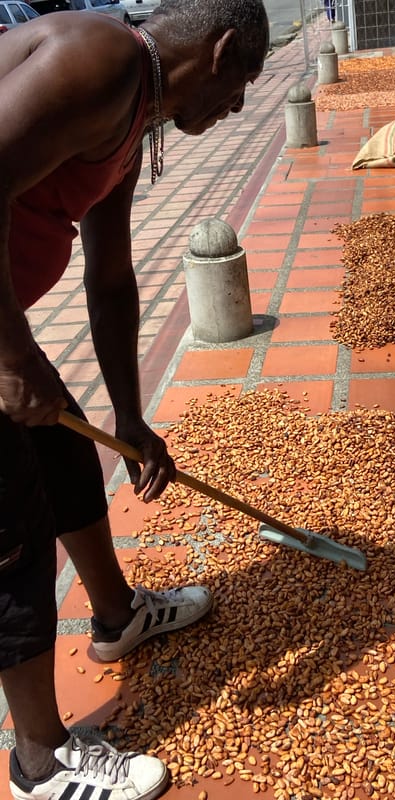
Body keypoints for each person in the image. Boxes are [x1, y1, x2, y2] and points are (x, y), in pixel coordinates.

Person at [0, 1, 269, 798]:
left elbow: (110, 278)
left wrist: (130, 413)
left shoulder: (132, 112)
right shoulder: (101, 61)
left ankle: (117, 617)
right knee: (10, 530)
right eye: (242, 86)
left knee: (66, 453)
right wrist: (12, 355)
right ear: (219, 52)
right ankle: (40, 761)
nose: (238, 110)